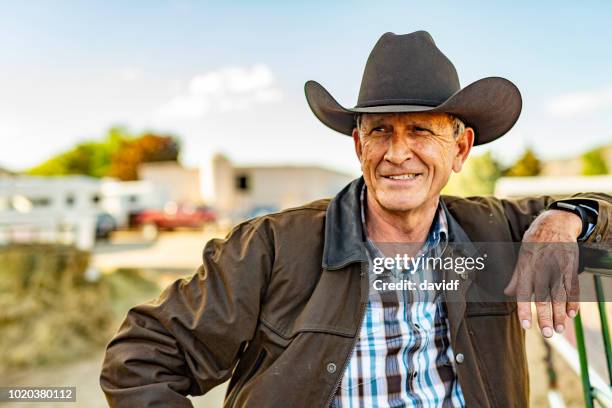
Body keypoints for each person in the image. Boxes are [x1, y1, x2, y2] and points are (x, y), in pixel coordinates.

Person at [100, 31, 611, 407]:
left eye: (421, 132)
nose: (398, 153)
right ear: (358, 144)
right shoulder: (274, 246)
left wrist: (571, 216)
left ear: (460, 148)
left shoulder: (493, 232)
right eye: (381, 131)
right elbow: (139, 357)